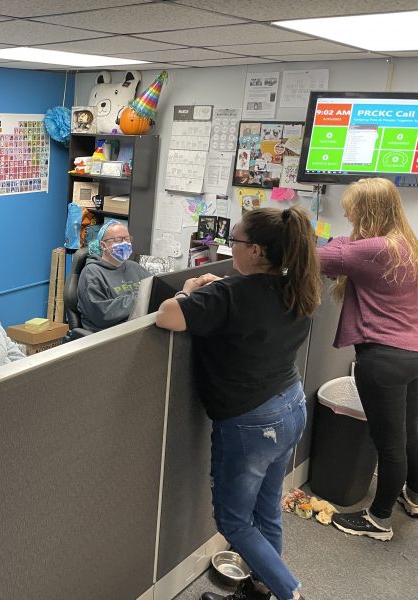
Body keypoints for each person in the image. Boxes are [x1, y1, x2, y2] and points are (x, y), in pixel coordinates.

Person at [156, 206, 321, 600]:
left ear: (259, 252)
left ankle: (288, 592)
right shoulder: (296, 285)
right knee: (266, 507)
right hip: (290, 406)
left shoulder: (229, 294)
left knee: (233, 521)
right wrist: (223, 285)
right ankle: (261, 589)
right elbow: (251, 306)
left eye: (237, 243)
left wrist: (191, 291)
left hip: (251, 423)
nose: (232, 249)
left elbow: (167, 316)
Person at [316, 178, 418, 541]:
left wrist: (344, 239)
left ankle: (379, 520)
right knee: (410, 432)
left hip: (384, 358)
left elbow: (316, 257)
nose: (346, 213)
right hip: (412, 353)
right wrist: (348, 239)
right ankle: (415, 496)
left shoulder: (372, 249)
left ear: (368, 211)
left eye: (351, 209)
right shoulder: (406, 243)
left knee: (388, 444)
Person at [76, 220, 150, 332]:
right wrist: (140, 299)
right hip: (108, 335)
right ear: (103, 245)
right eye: (118, 240)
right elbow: (101, 314)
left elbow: (154, 289)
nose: (125, 243)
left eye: (127, 239)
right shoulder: (92, 273)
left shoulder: (135, 268)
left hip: (137, 327)